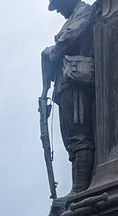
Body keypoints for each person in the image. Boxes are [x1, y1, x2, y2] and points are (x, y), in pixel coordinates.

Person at [42, 0, 96, 193]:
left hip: (76, 83)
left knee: (80, 136)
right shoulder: (73, 16)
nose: (57, 10)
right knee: (72, 140)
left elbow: (69, 39)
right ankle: (77, 186)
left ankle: (80, 187)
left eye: (58, 4)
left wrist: (51, 52)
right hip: (65, 83)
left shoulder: (84, 12)